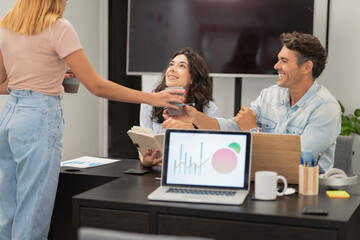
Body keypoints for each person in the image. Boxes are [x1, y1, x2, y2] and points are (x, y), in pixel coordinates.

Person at [0, 0, 185, 239]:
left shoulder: (7, 25)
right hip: (38, 119)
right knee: (32, 214)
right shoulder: (59, 27)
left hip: (10, 116)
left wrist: (46, 78)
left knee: (9, 211)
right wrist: (153, 98)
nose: (66, 2)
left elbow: (4, 84)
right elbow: (97, 86)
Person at [165, 32, 341, 173]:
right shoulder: (269, 95)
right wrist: (194, 117)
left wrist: (253, 130)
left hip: (305, 191)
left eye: (284, 61)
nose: (276, 66)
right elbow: (233, 127)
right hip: (263, 182)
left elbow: (299, 158)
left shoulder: (326, 108)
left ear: (306, 67)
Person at [139, 47, 218, 167]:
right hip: (157, 172)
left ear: (193, 78)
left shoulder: (209, 108)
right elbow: (143, 146)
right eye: (171, 64)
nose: (172, 69)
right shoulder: (149, 103)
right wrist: (145, 161)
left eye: (182, 66)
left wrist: (190, 128)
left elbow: (211, 150)